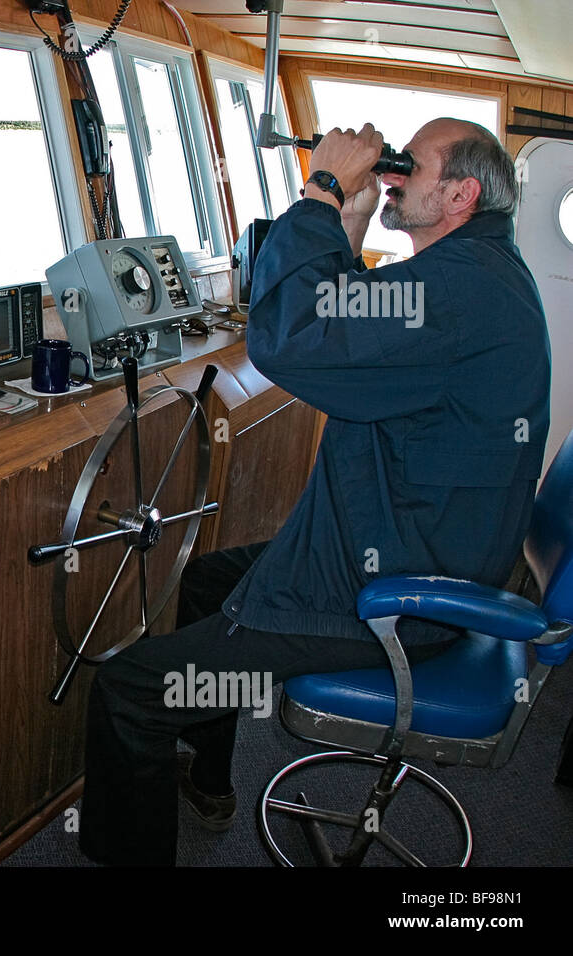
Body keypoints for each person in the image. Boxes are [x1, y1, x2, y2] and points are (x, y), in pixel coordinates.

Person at [79, 118, 551, 866]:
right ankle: (209, 781)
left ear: (460, 194)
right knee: (204, 580)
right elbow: (368, 334)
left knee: (130, 692)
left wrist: (324, 191)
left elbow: (297, 338)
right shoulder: (479, 270)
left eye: (409, 166)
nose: (392, 171)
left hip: (395, 592)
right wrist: (351, 225)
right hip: (407, 544)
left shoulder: (458, 289)